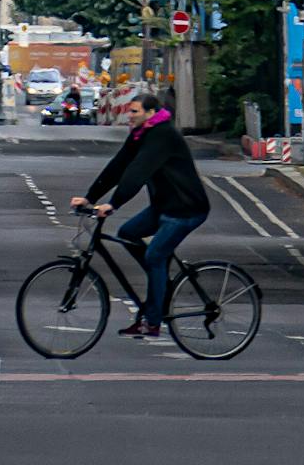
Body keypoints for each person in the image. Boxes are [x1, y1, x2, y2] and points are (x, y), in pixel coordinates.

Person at [72, 89, 210, 341]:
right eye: (129, 111)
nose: (129, 116)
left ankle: (153, 320)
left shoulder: (162, 135)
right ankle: (161, 285)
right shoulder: (140, 134)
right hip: (164, 206)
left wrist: (113, 204)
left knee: (155, 255)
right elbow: (118, 166)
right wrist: (90, 197)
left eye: (134, 112)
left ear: (151, 113)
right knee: (128, 233)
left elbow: (138, 172)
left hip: (186, 209)